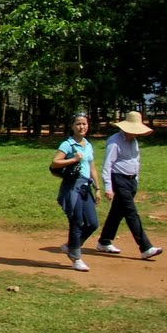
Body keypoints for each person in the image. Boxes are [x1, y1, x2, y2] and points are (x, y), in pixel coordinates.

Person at [96, 111, 163, 260]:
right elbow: (107, 165)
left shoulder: (134, 141)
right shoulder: (114, 142)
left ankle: (104, 241)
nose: (134, 134)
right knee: (131, 213)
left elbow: (135, 161)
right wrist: (108, 186)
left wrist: (136, 180)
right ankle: (145, 247)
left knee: (117, 213)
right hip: (118, 179)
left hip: (131, 181)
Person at [52, 112, 101, 272]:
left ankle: (71, 246)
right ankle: (76, 258)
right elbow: (55, 163)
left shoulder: (88, 144)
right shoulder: (68, 144)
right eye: (78, 124)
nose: (82, 127)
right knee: (77, 221)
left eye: (84, 124)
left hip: (86, 187)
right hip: (72, 187)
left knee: (92, 223)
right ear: (72, 126)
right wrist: (73, 159)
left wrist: (98, 187)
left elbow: (92, 167)